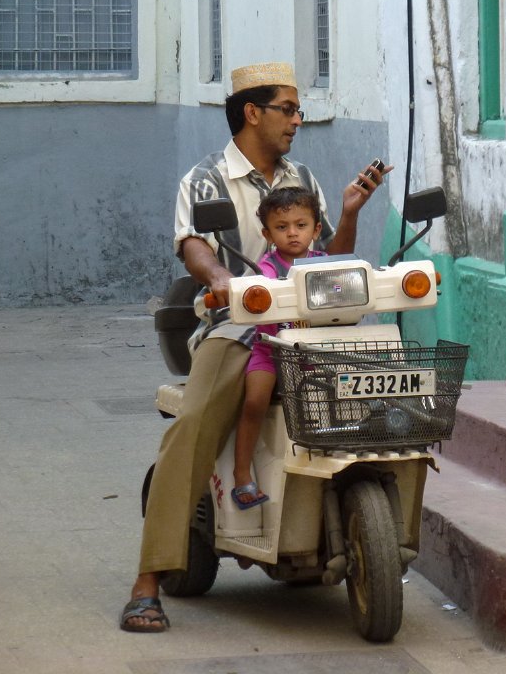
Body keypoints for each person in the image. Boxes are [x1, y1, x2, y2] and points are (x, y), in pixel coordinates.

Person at [120, 61, 390, 633]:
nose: (297, 119)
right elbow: (193, 244)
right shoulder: (206, 179)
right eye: (288, 109)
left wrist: (348, 213)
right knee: (194, 425)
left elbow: (330, 257)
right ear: (252, 112)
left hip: (310, 326)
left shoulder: (302, 178)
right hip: (238, 328)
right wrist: (221, 278)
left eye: (298, 110)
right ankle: (147, 582)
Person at [230, 186, 325, 509]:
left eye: (301, 225)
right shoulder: (267, 267)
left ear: (316, 229)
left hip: (313, 351)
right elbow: (262, 286)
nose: (292, 233)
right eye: (282, 227)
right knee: (254, 401)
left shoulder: (323, 263)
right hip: (271, 351)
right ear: (267, 234)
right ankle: (241, 473)